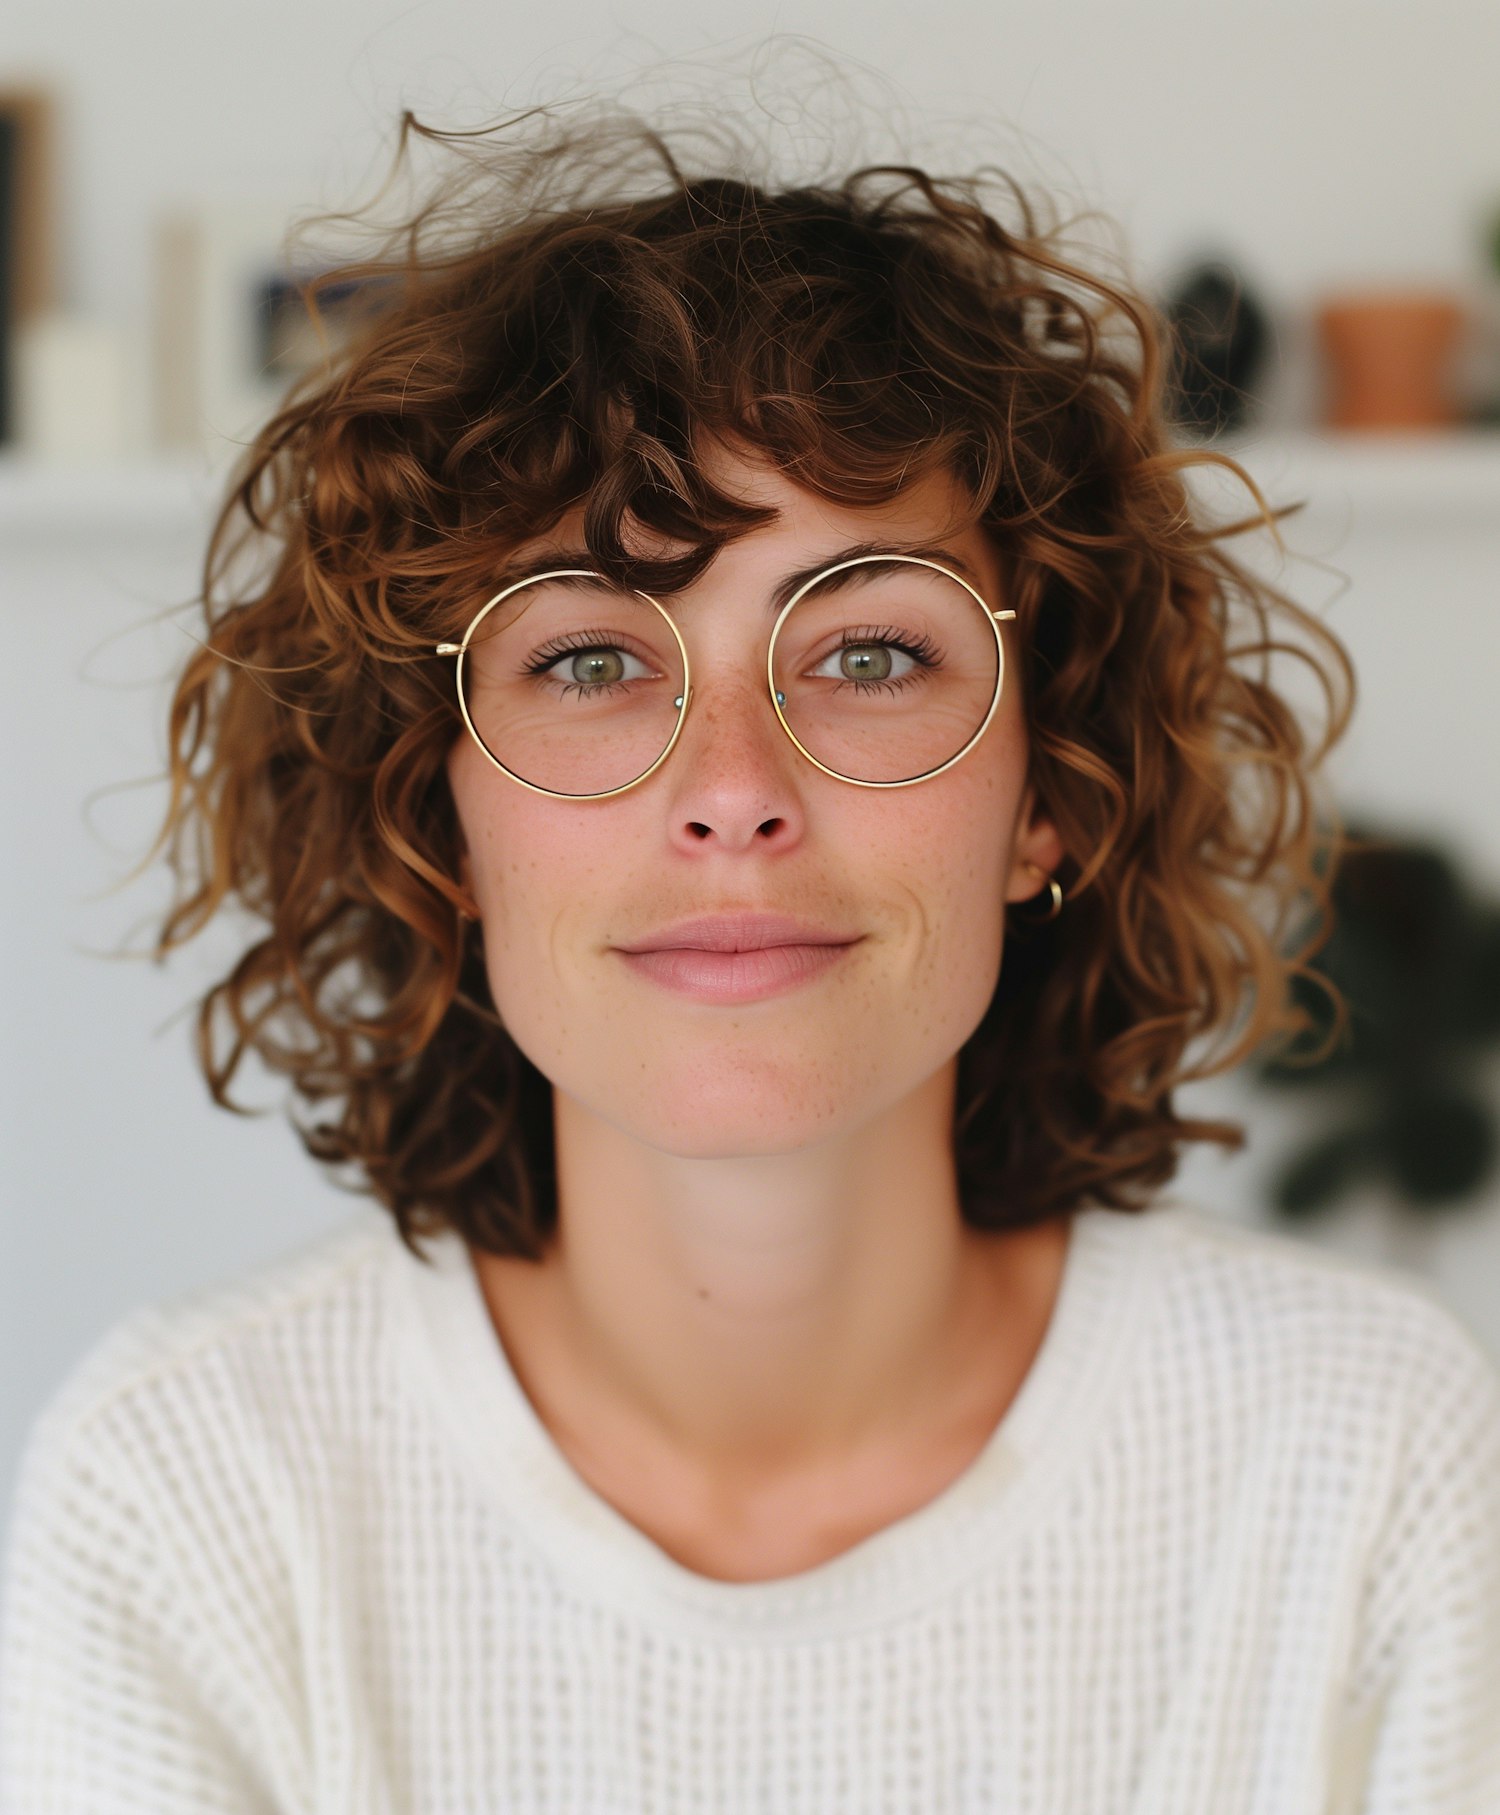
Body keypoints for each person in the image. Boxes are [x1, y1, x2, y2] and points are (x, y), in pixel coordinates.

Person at [2, 95, 1498, 1814]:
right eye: (585, 663)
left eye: (869, 655)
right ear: (443, 814)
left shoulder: (1368, 1461)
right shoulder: (187, 1496)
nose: (731, 794)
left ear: (1048, 794)